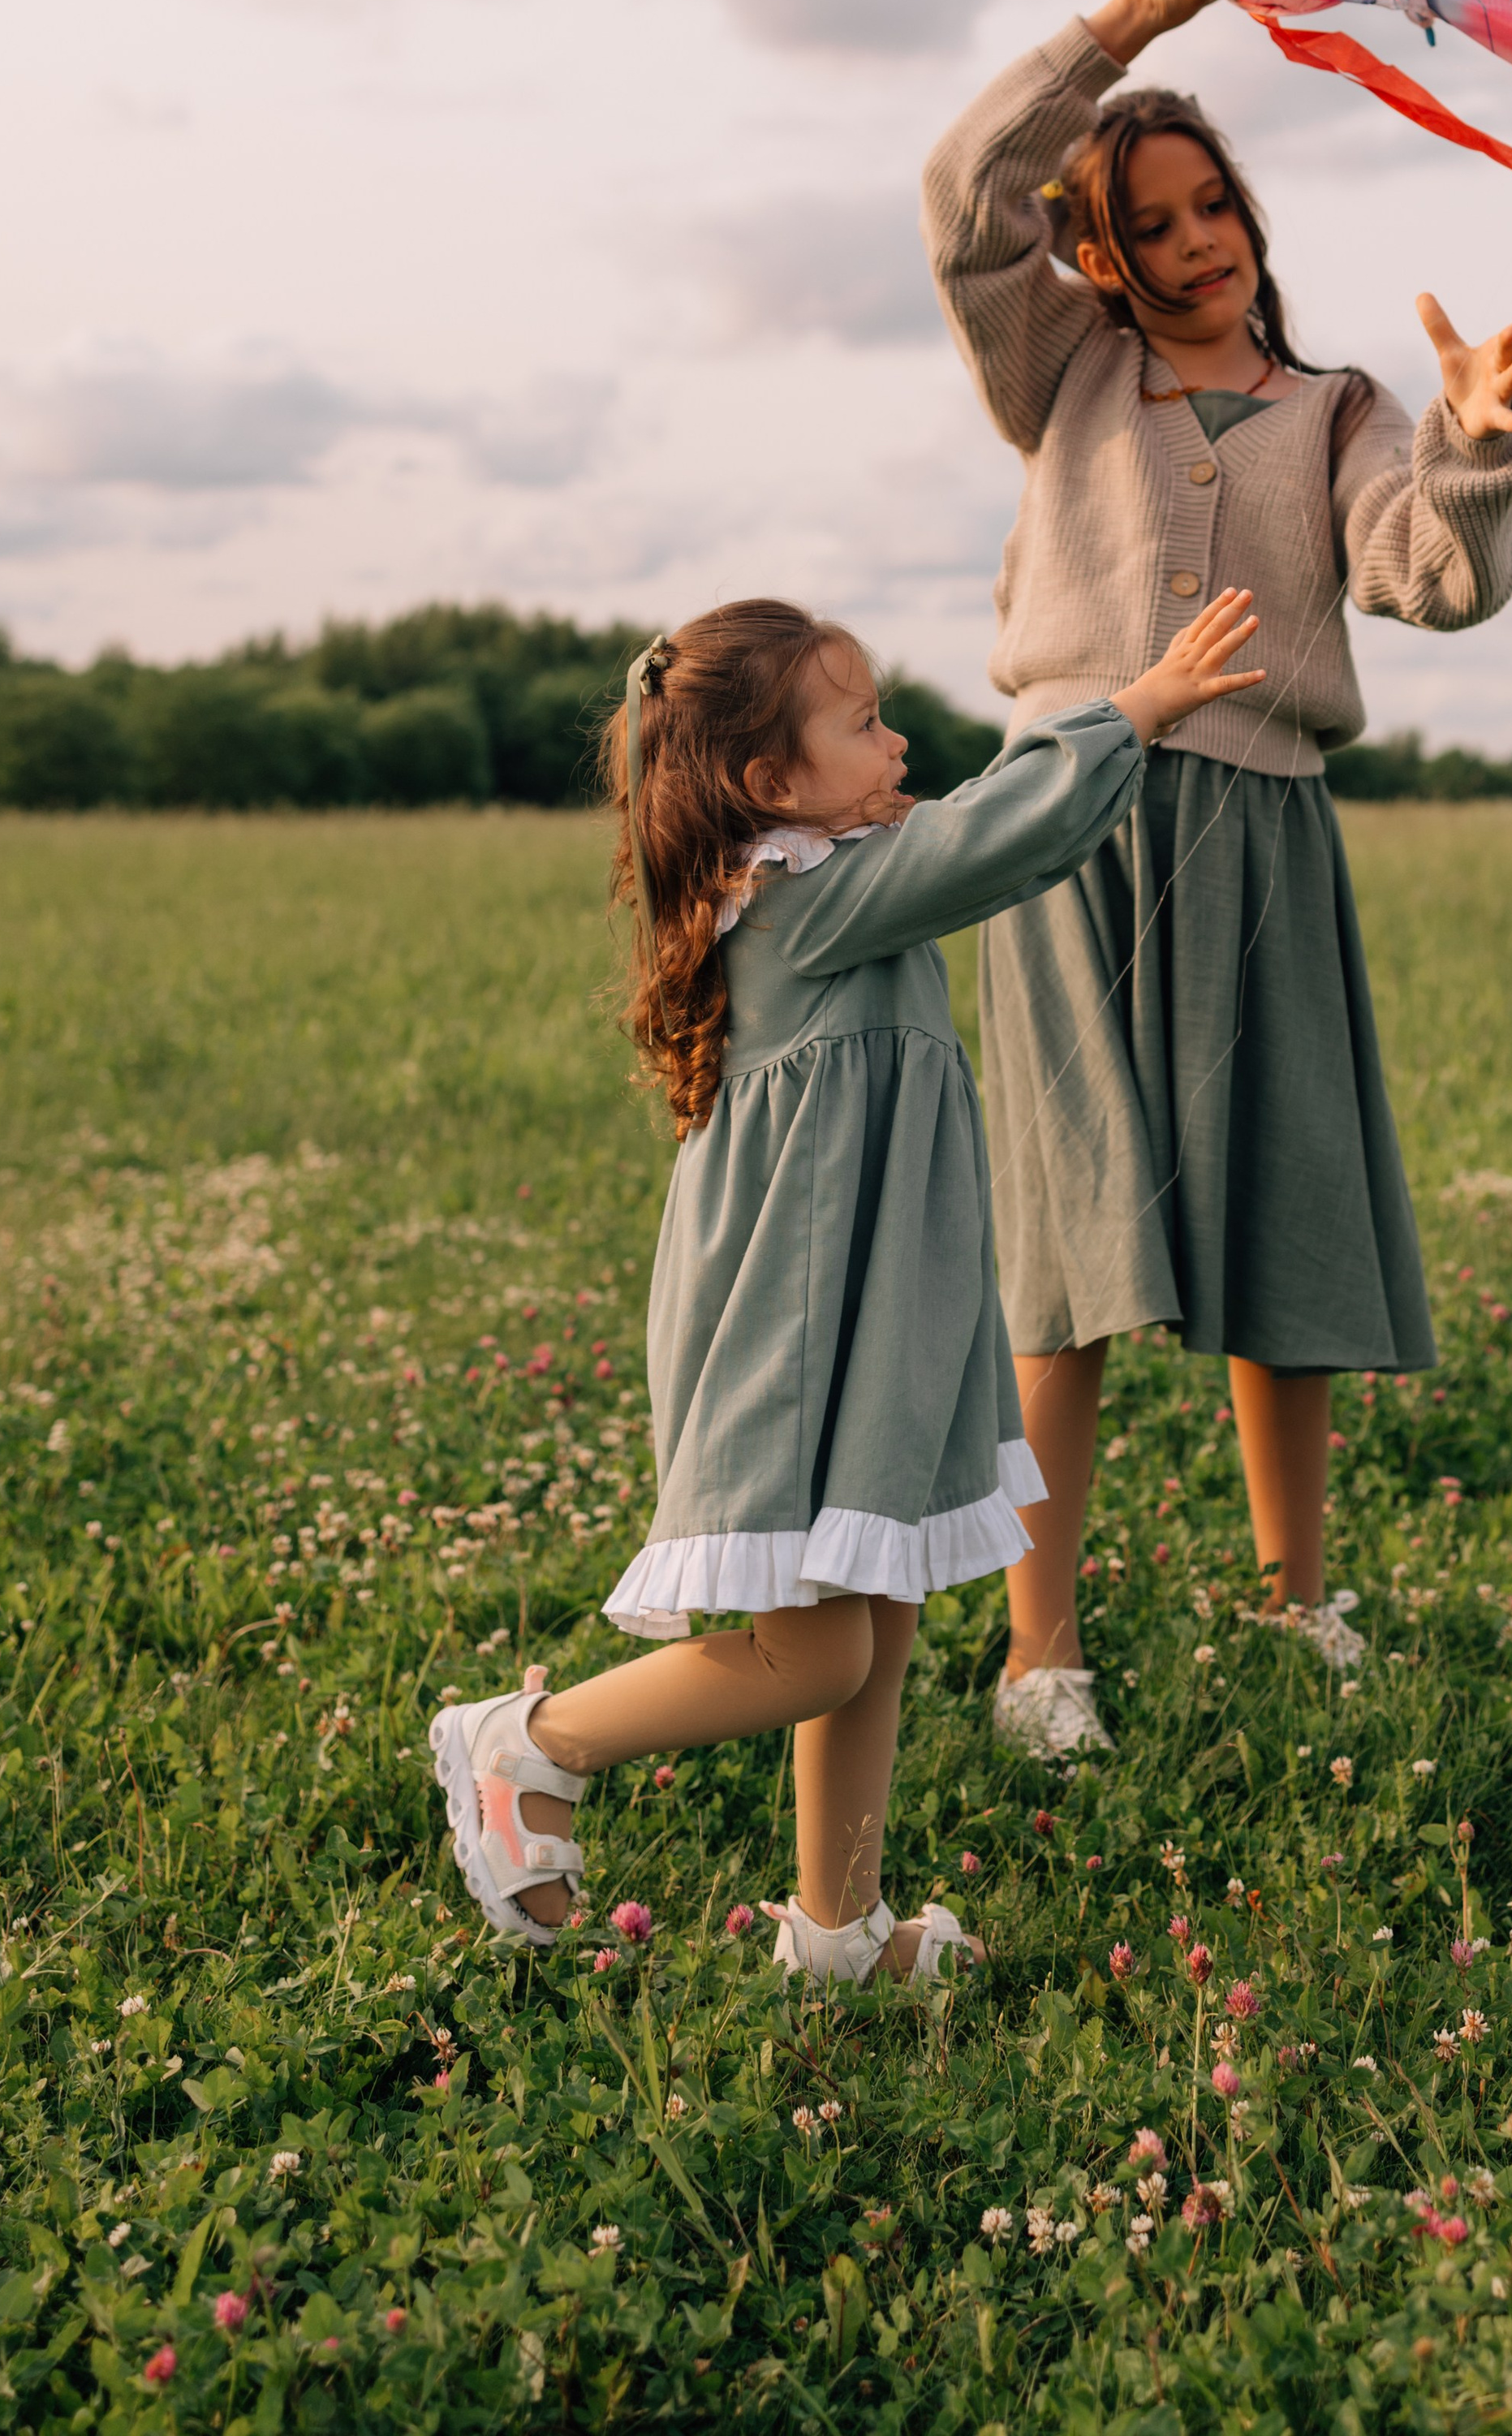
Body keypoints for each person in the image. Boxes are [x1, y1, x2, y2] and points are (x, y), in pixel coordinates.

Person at [430, 584, 1262, 1984]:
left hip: (872, 1319)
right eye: (865, 723)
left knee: (871, 1625)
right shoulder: (802, 896)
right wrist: (1139, 710)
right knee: (813, 1654)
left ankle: (839, 1931)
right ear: (769, 783)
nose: (896, 745)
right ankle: (529, 1742)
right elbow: (994, 840)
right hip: (794, 1332)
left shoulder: (813, 886)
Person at [923, 0, 1512, 1761]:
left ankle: (1295, 1600)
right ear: (1099, 252)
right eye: (1148, 223)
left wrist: (1476, 453)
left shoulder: (1343, 410)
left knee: (1282, 1211)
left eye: (1212, 207)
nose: (1196, 244)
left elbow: (1420, 581)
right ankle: (1038, 1653)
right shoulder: (1058, 373)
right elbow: (961, 204)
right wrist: (1114, 39)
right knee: (1068, 1236)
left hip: (1261, 827)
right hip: (1062, 824)